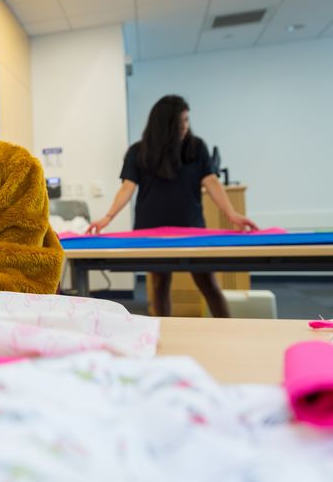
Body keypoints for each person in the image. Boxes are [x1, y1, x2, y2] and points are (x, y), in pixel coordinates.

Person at [86, 95, 258, 317]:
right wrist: (107, 217)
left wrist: (232, 214)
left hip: (191, 227)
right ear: (165, 124)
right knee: (159, 285)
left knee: (209, 283)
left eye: (187, 120)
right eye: (180, 122)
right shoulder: (139, 151)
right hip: (151, 230)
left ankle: (230, 329)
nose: (185, 126)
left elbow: (212, 182)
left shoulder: (196, 148)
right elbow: (127, 187)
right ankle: (161, 333)